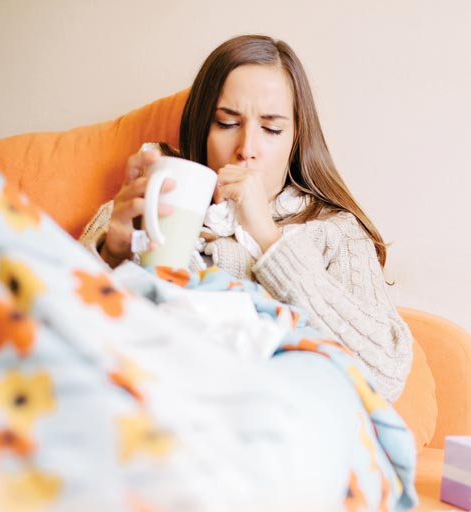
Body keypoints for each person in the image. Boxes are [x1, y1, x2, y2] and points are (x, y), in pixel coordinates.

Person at [79, 35, 412, 403]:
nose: (246, 149)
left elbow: (386, 375)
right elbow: (59, 324)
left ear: (296, 138)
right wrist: (111, 255)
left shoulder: (337, 233)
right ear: (202, 128)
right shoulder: (144, 205)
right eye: (226, 123)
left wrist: (270, 241)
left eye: (271, 129)